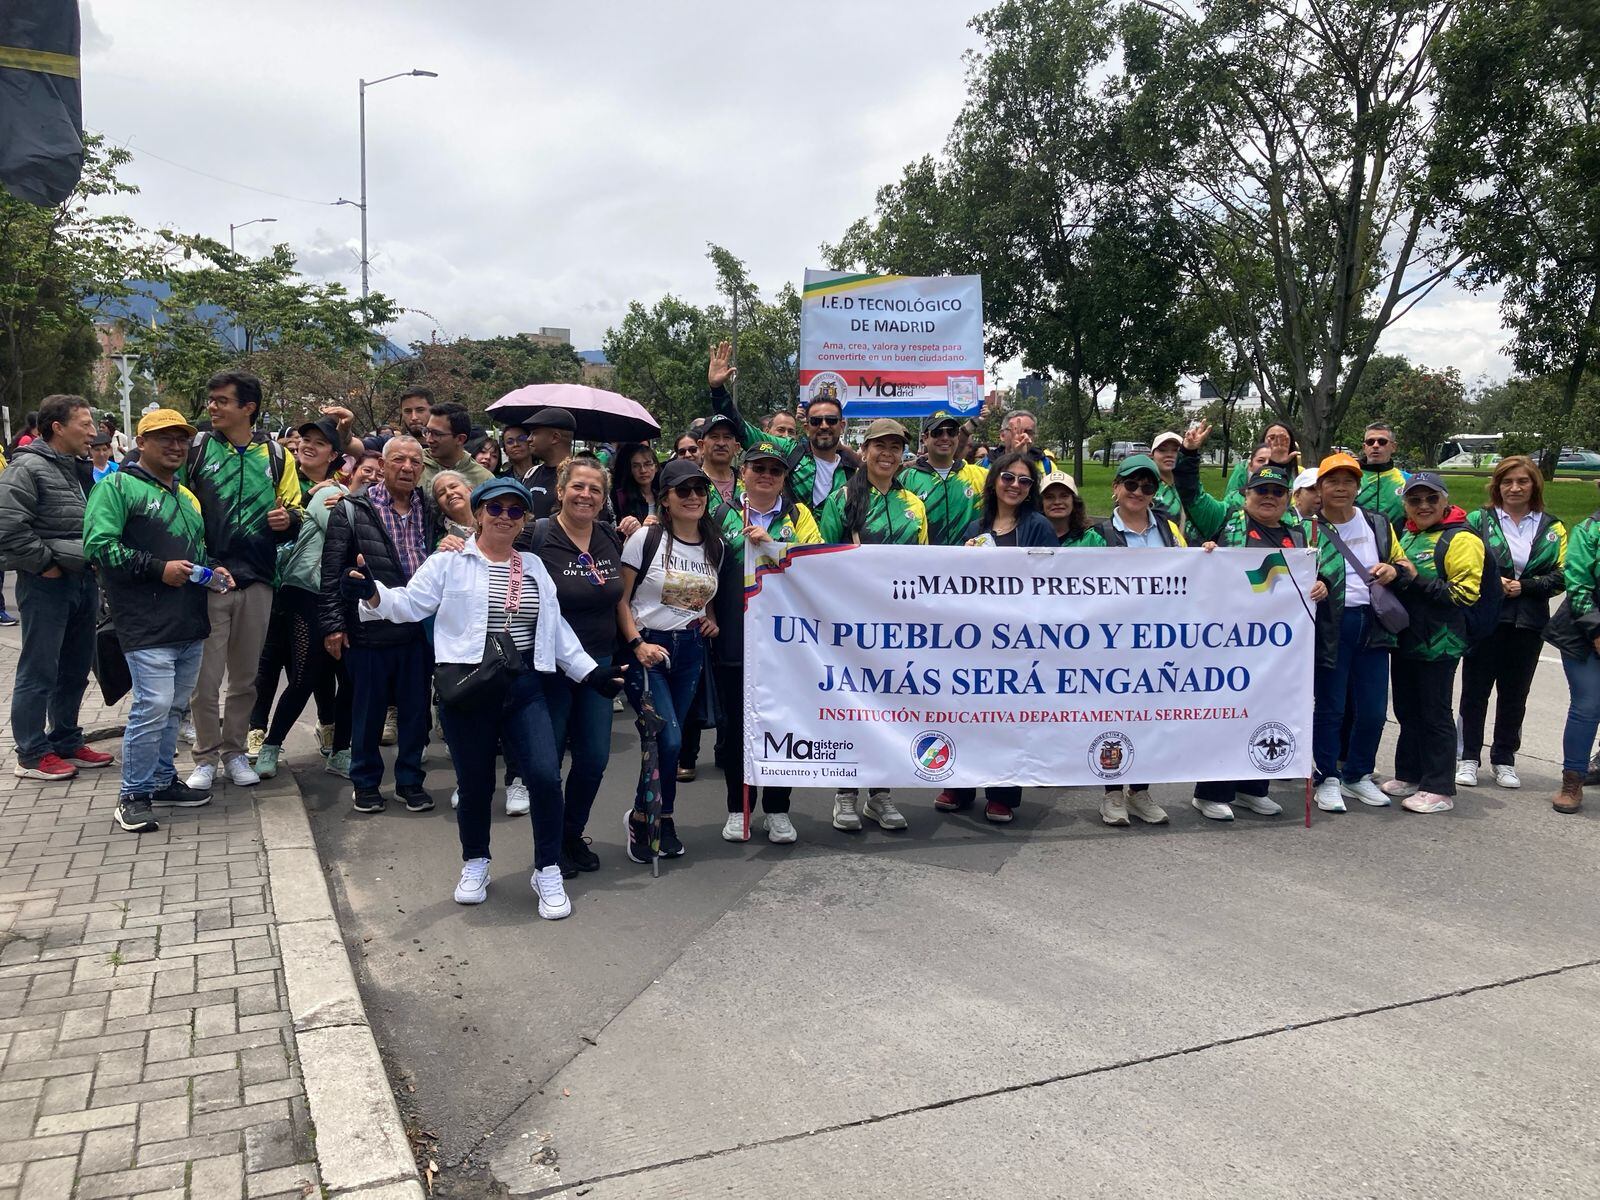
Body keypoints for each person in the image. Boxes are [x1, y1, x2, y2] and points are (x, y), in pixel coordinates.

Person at [346, 476, 622, 916]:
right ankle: (475, 861)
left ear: (524, 520)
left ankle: (547, 866)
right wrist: (373, 594)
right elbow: (409, 605)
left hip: (525, 687)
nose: (505, 518)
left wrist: (591, 672)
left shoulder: (532, 566)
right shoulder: (449, 563)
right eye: (495, 509)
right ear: (477, 514)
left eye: (515, 511)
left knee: (545, 778)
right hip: (468, 687)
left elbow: (555, 629)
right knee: (475, 785)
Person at [83, 409, 222, 831]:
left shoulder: (187, 497)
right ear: (141, 442)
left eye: (181, 439)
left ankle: (163, 780)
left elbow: (195, 553)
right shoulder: (116, 487)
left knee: (175, 708)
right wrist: (158, 568)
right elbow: (99, 548)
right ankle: (133, 794)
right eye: (164, 438)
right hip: (144, 622)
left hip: (189, 622)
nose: (176, 446)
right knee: (153, 706)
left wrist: (213, 570)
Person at [178, 372, 303, 793]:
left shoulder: (276, 456)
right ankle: (205, 758)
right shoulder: (195, 450)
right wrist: (203, 566)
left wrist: (288, 521)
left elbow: (296, 511)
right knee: (205, 681)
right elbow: (177, 508)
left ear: (248, 407)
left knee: (245, 679)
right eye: (211, 400)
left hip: (259, 581)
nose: (213, 407)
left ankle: (234, 753)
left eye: (222, 401)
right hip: (208, 581)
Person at [1193, 464, 1329, 821]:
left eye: (1277, 492)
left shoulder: (1297, 534)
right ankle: (1211, 792)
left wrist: (1322, 582)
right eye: (1261, 491)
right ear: (1246, 494)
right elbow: (1191, 498)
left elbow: (1318, 570)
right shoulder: (1226, 524)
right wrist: (1206, 553)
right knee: (1226, 713)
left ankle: (1254, 787)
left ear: (1288, 498)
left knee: (1269, 711)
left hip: (1277, 648)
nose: (1269, 498)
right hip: (1229, 640)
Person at [320, 435, 441, 813]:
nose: (407, 468)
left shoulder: (431, 509)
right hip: (369, 627)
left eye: (415, 462)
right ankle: (366, 782)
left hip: (417, 627)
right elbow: (331, 570)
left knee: (415, 711)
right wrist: (333, 625)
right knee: (368, 711)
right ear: (383, 465)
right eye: (399, 460)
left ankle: (409, 781)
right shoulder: (353, 509)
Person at [817, 418, 927, 832]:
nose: (887, 453)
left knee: (893, 710)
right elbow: (820, 561)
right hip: (851, 625)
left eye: (895, 447)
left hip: (899, 629)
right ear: (864, 450)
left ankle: (880, 794)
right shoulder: (842, 499)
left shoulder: (914, 504)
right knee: (853, 708)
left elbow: (923, 567)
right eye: (879, 445)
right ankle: (845, 794)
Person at [709, 440, 822, 844]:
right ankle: (738, 808)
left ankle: (777, 809)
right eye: (758, 468)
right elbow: (701, 562)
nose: (766, 476)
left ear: (783, 478)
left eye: (774, 470)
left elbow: (817, 562)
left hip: (786, 642)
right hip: (735, 636)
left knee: (782, 724)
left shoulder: (798, 514)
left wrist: (774, 547)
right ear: (743, 472)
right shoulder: (720, 514)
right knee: (737, 728)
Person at [935, 452, 1054, 824]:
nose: (1015, 485)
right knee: (965, 713)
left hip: (1019, 640)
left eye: (1024, 481)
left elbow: (1051, 579)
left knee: (1007, 719)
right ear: (994, 482)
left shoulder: (1038, 526)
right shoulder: (974, 527)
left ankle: (1002, 792)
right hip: (975, 639)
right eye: (1008, 477)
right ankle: (959, 784)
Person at [0, 393, 113, 781]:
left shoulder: (75, 468)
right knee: (39, 669)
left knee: (75, 668)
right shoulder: (27, 468)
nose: (93, 432)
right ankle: (31, 752)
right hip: (47, 585)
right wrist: (45, 565)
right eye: (84, 425)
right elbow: (8, 527)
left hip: (81, 581)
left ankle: (65, 739)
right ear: (57, 428)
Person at [618, 458, 722, 862]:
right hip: (649, 648)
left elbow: (706, 598)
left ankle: (652, 817)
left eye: (700, 490)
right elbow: (621, 601)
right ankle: (655, 817)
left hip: (691, 650)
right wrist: (636, 643)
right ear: (665, 498)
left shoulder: (715, 544)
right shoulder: (645, 540)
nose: (693, 497)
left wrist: (709, 619)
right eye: (683, 491)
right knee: (668, 738)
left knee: (667, 745)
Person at [530, 459, 629, 872]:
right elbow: (489, 555)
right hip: (549, 668)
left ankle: (572, 834)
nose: (585, 495)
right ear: (560, 489)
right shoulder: (535, 535)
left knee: (592, 760)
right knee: (547, 765)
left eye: (595, 489)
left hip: (599, 666)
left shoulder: (609, 536)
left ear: (603, 499)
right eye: (578, 487)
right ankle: (550, 847)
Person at [1079, 455, 1186, 827]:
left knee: (1150, 717)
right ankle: (1111, 793)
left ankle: (1139, 791)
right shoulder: (1099, 535)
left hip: (1159, 641)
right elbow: (1070, 581)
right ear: (1116, 488)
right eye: (1131, 484)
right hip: (1113, 643)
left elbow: (1193, 576)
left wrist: (1206, 557)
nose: (1138, 492)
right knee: (1112, 716)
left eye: (1148, 486)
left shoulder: (1171, 533)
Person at [252, 419, 356, 782]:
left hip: (335, 594)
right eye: (304, 440)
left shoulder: (337, 493)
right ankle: (268, 743)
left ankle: (340, 749)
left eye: (318, 442)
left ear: (336, 456)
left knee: (348, 677)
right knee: (301, 673)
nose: (307, 446)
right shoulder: (295, 486)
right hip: (297, 592)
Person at [1456, 456, 1566, 790]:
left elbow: (1562, 576)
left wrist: (1526, 586)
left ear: (1535, 485)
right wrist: (1494, 582)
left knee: (1515, 695)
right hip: (1487, 619)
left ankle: (1504, 759)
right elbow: (1463, 559)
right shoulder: (1480, 519)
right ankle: (1467, 757)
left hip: (1528, 623)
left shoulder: (1552, 527)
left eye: (1523, 481)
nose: (1515, 488)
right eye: (1507, 481)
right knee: (1475, 692)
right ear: (1497, 486)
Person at [1309, 453, 1407, 812]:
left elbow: (1401, 562)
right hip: (1331, 623)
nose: (1340, 487)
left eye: (1348, 481)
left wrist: (1393, 571)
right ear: (1319, 488)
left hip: (1374, 621)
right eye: (1332, 481)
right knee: (1332, 706)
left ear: (1357, 486)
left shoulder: (1378, 523)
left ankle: (1358, 774)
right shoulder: (1308, 528)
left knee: (1372, 707)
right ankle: (1326, 777)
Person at [1384, 473, 1484, 813]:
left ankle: (1439, 787)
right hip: (1407, 637)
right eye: (1415, 500)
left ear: (1445, 501)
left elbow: (1465, 594)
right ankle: (1410, 773)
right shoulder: (1409, 535)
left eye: (1431, 499)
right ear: (1406, 505)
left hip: (1441, 641)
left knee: (1435, 711)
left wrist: (1416, 578)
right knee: (1407, 709)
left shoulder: (1461, 539)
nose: (1423, 506)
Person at [708, 341, 857, 509]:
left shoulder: (853, 471)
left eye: (831, 420)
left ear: (842, 425)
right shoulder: (790, 451)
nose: (824, 426)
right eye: (816, 421)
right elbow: (743, 431)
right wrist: (718, 390)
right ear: (807, 427)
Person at [1544, 494, 1600, 813]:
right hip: (1584, 631)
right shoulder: (1589, 531)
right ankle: (1573, 780)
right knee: (1589, 704)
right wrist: (1597, 631)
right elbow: (1577, 586)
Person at [899, 411, 988, 546]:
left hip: (968, 563)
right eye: (937, 432)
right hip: (924, 563)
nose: (945, 437)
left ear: (958, 436)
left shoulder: (980, 476)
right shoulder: (907, 479)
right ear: (925, 438)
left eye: (951, 432)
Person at [422, 401, 493, 490]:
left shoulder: (484, 480)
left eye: (437, 434)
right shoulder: (415, 465)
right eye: (427, 431)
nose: (429, 439)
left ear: (460, 439)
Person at [522, 408, 578, 520]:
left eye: (534, 433)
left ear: (555, 438)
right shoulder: (531, 474)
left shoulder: (579, 477)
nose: (528, 439)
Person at [1224, 421, 1299, 496]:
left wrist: (1279, 465)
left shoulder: (1298, 473)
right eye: (1272, 438)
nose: (1277, 442)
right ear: (1263, 441)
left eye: (1283, 439)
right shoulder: (1244, 467)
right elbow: (1231, 498)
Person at [1357, 421, 1407, 526]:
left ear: (1394, 447)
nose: (1375, 445)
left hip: (1396, 540)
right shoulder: (1352, 477)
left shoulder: (1407, 480)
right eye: (1370, 442)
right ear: (1364, 447)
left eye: (1382, 441)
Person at [1149, 430, 1190, 537]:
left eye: (1175, 450)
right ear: (1152, 455)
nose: (1169, 455)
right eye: (1162, 450)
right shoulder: (1146, 489)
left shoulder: (1191, 487)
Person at [612, 442, 658, 535]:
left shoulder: (664, 495)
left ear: (656, 467)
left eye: (648, 464)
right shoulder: (622, 497)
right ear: (631, 470)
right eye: (636, 466)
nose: (643, 470)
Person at [698, 414, 742, 507]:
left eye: (727, 437)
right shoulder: (693, 483)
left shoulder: (747, 483)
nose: (721, 443)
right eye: (714, 437)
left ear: (736, 448)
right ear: (701, 446)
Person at [1039, 471, 1088, 545]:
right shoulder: (1030, 537)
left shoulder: (1091, 539)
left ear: (1074, 501)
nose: (1057, 502)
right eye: (1049, 497)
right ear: (1041, 503)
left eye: (1064, 496)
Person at [432, 470, 475, 540]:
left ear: (469, 489)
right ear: (439, 506)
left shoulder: (489, 518)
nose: (449, 493)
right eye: (441, 493)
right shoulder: (437, 538)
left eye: (453, 487)